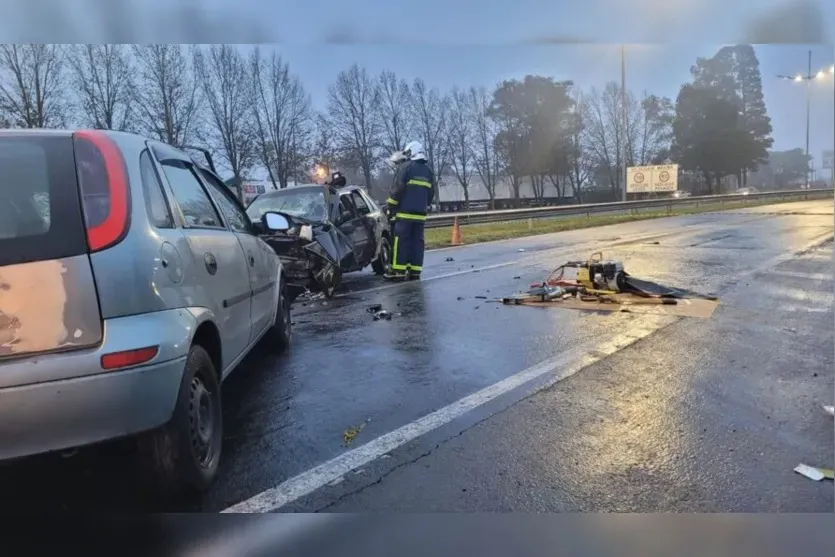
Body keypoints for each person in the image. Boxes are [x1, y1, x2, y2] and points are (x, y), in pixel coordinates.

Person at [384, 140, 436, 281]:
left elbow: (397, 189)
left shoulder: (406, 167)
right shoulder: (428, 171)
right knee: (417, 243)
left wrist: (389, 205)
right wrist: (425, 205)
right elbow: (431, 193)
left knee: (401, 242)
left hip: (404, 214)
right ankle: (415, 272)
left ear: (411, 152)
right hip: (420, 215)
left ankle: (398, 272)